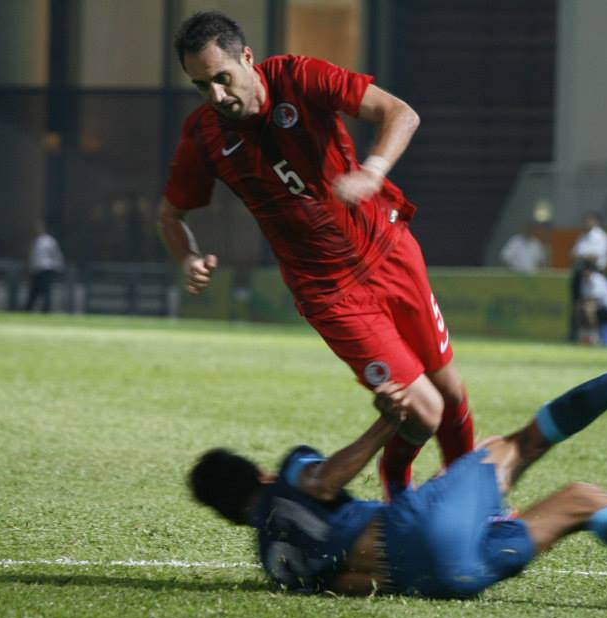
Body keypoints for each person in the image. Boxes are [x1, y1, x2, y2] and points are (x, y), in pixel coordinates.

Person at [189, 317, 607, 609]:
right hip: (410, 535)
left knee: (582, 499)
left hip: (443, 582)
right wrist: (387, 422)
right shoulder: (289, 475)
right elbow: (323, 479)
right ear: (260, 475)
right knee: (521, 444)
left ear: (228, 515)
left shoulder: (273, 562)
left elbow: (349, 580)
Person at [158, 12, 473, 499]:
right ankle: (398, 488)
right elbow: (170, 215)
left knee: (451, 394)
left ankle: (478, 500)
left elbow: (401, 113)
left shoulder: (300, 77)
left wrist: (373, 171)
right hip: (331, 295)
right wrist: (188, 259)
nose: (216, 96)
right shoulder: (204, 135)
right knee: (422, 410)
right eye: (202, 86)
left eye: (222, 79)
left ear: (247, 59)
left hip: (390, 251)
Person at [568, 213, 607, 341]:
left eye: (589, 221)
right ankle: (580, 335)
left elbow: (596, 256)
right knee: (577, 305)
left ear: (595, 222)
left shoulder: (600, 236)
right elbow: (573, 254)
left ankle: (595, 336)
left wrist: (582, 256)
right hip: (581, 273)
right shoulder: (583, 236)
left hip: (594, 273)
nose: (586, 223)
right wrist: (584, 256)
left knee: (590, 307)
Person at [577, 267, 607, 347]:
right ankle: (590, 334)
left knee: (589, 309)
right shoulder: (584, 281)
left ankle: (594, 333)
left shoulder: (597, 279)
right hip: (602, 311)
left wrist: (585, 305)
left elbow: (595, 297)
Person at [24, 224, 65, 313]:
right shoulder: (36, 241)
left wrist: (59, 267)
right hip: (37, 270)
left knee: (46, 291)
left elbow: (56, 254)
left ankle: (46, 310)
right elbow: (33, 258)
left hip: (46, 270)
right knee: (34, 291)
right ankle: (28, 310)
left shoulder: (49, 241)